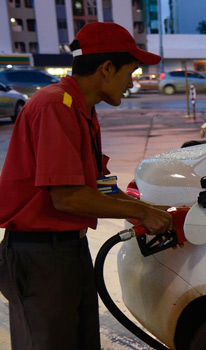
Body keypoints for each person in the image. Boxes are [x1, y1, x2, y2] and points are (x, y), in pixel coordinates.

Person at [0, 22, 173, 350]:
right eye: (131, 72)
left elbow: (99, 184)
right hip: (39, 256)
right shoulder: (55, 106)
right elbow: (67, 198)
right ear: (107, 69)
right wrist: (140, 212)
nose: (131, 83)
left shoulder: (82, 109)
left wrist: (150, 211)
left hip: (65, 250)